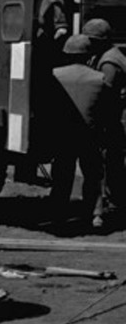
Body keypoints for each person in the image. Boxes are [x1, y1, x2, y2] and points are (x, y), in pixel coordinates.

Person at [50, 33, 116, 230]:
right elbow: (106, 110)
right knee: (94, 175)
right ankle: (95, 214)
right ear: (89, 55)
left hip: (64, 135)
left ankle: (58, 214)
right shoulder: (99, 78)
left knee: (62, 175)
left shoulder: (54, 75)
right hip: (90, 136)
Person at [83, 18, 126, 226]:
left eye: (91, 40)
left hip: (111, 122)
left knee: (106, 166)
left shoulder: (109, 62)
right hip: (114, 120)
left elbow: (105, 94)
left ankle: (107, 210)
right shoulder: (112, 55)